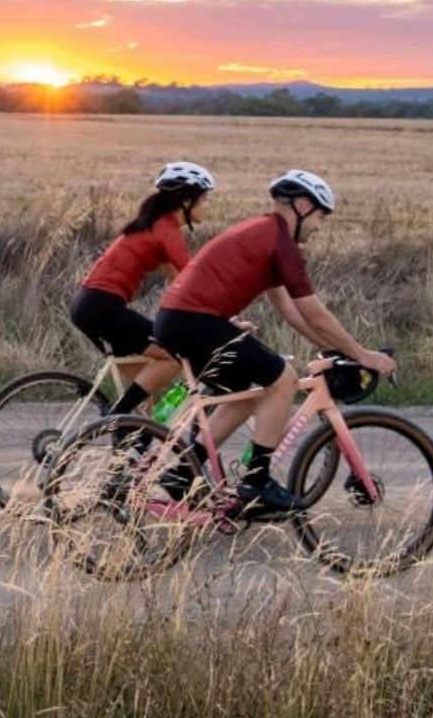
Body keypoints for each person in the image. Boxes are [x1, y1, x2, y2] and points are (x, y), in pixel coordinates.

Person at [153, 169, 395, 516]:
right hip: (194, 321)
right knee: (283, 379)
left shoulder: (265, 233)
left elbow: (291, 311)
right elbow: (313, 310)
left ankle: (181, 473)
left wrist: (336, 350)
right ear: (302, 205)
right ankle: (256, 481)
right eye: (320, 217)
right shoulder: (280, 242)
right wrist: (362, 355)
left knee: (243, 396)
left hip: (181, 320)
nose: (319, 226)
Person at [71, 162, 214, 416]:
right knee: (174, 357)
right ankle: (116, 417)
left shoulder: (155, 226)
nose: (208, 205)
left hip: (89, 305)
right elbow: (194, 276)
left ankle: (132, 443)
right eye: (204, 198)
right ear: (186, 200)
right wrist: (221, 316)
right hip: (102, 307)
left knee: (149, 393)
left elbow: (179, 285)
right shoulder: (165, 229)